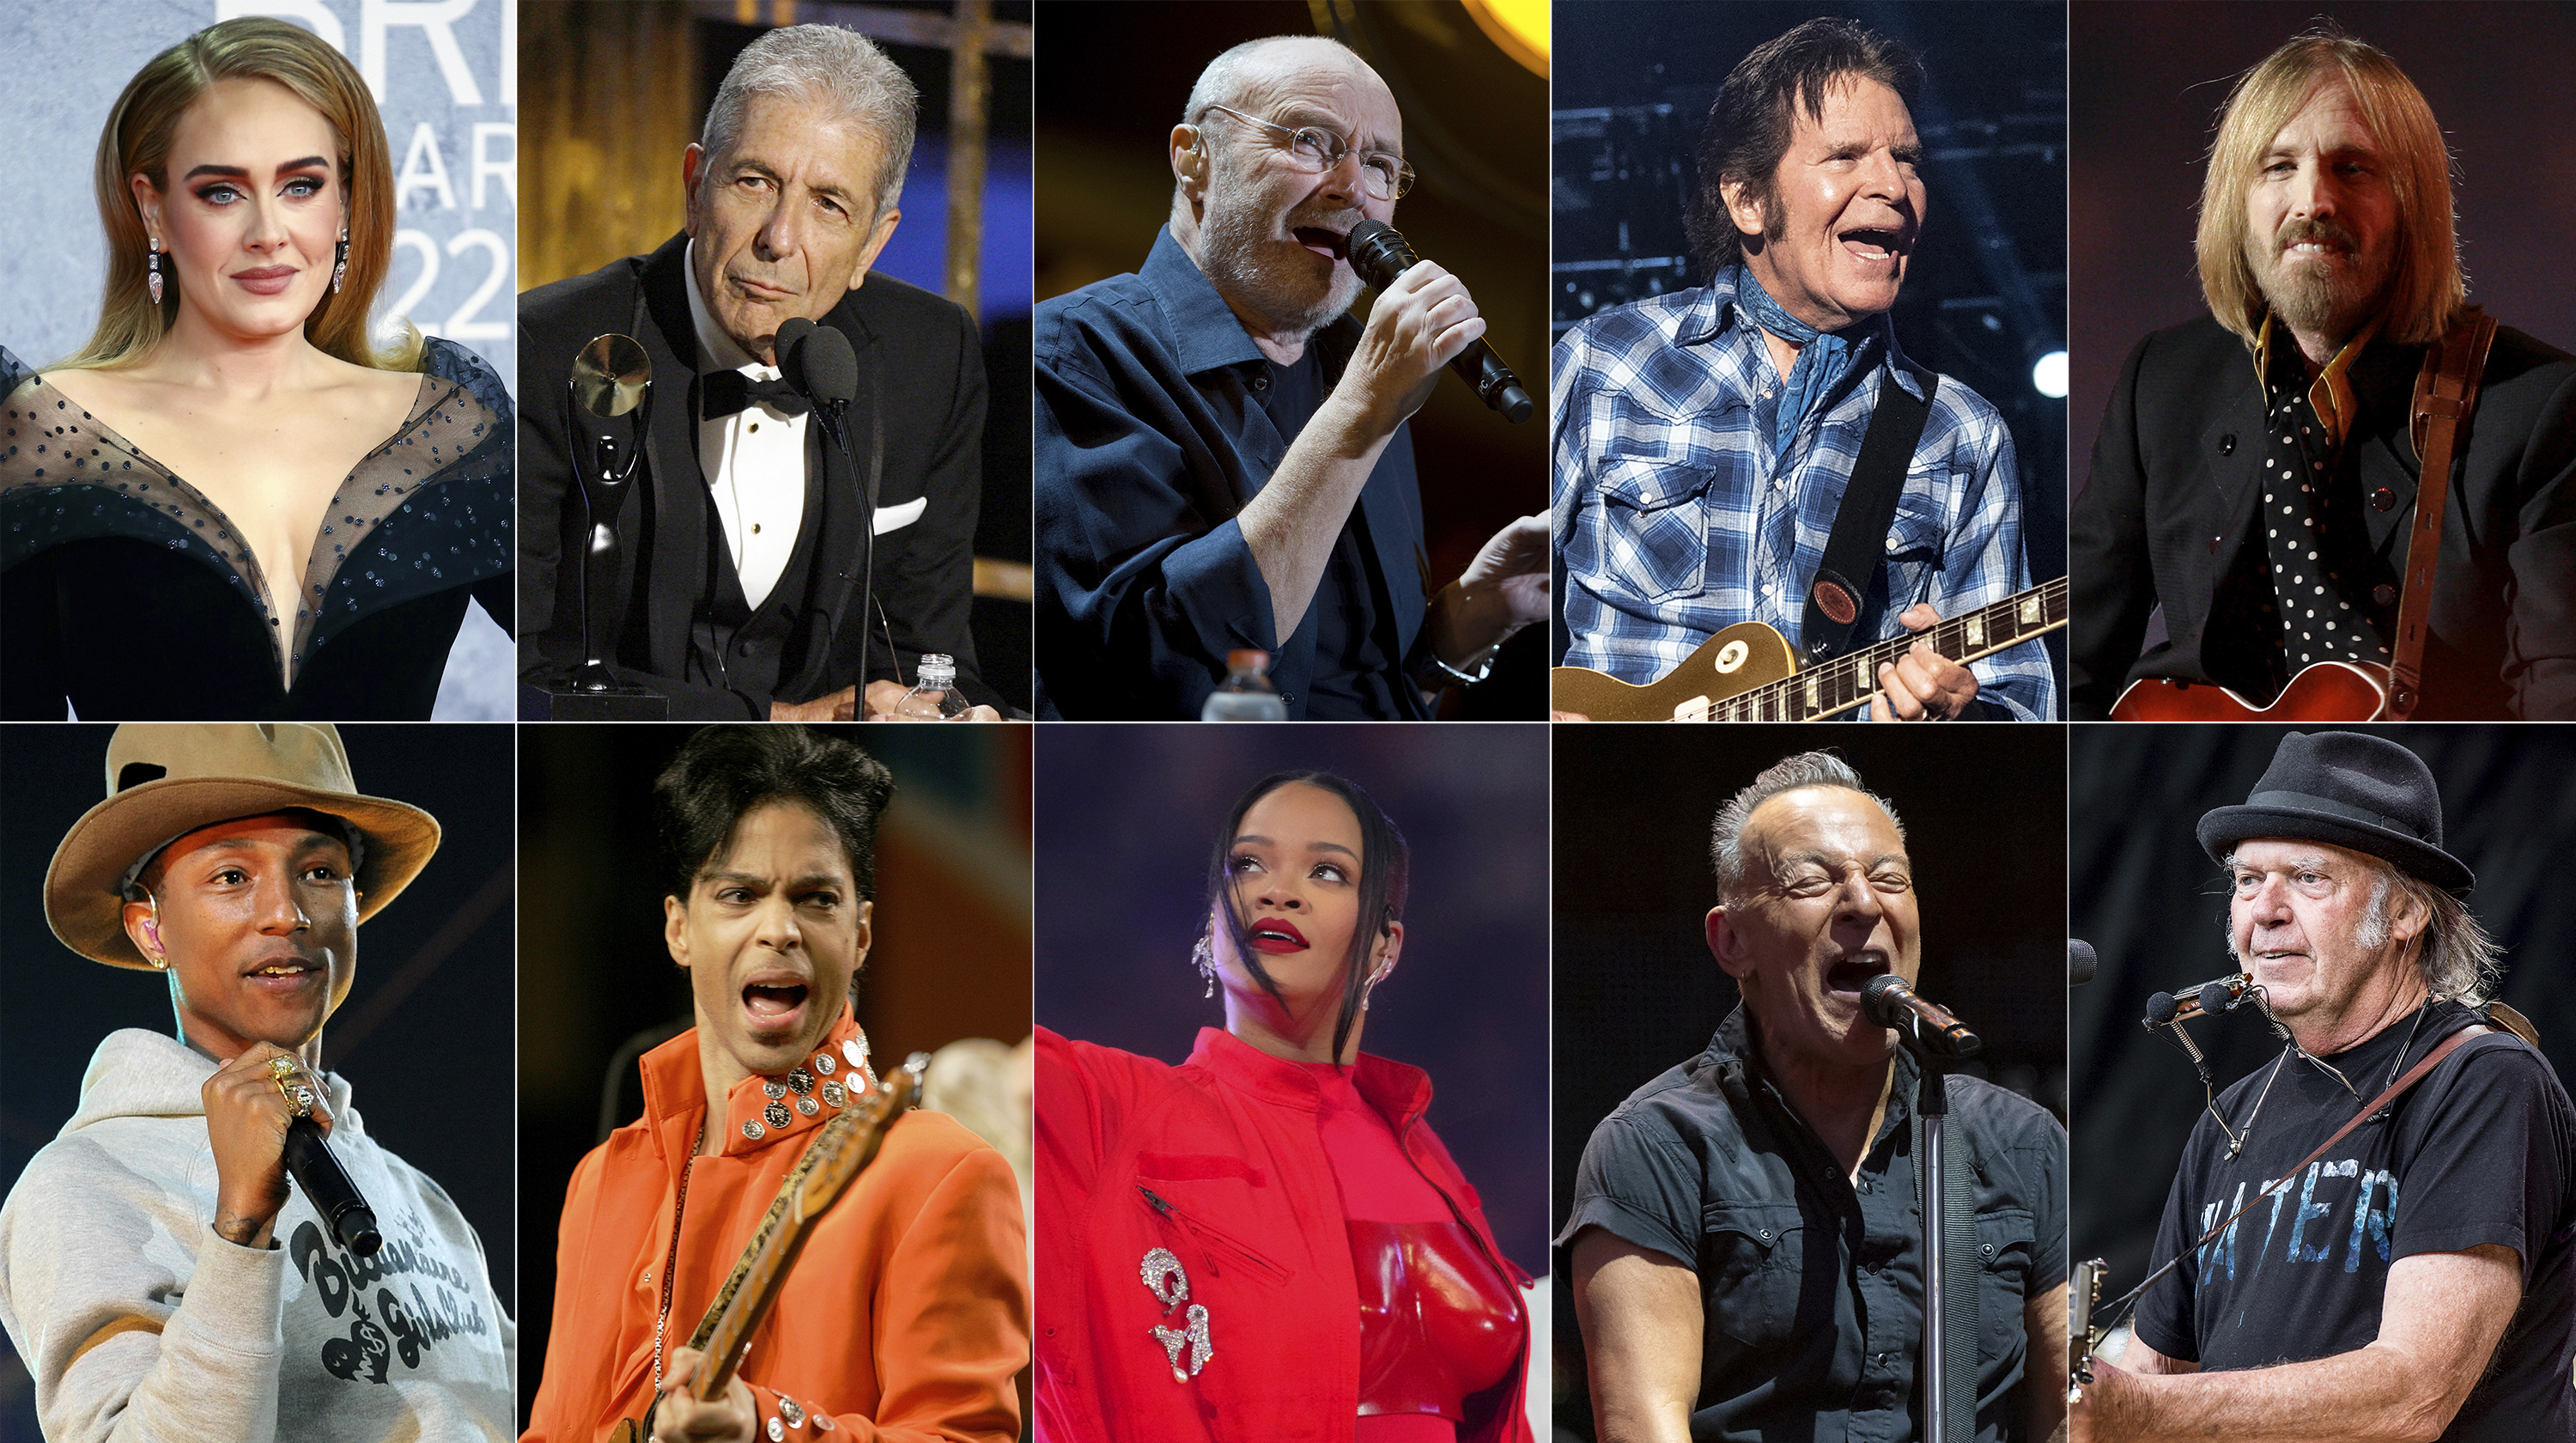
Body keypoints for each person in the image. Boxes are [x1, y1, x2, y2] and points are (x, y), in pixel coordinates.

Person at [0, 722, 513, 1437]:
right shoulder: (84, 1182)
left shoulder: (424, 1201)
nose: (288, 914)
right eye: (232, 877)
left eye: (320, 873)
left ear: (356, 906)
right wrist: (240, 1231)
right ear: (151, 930)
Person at [522, 725, 1027, 1443]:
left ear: (861, 935)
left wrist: (766, 1427)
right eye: (740, 894)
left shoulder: (941, 1172)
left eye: (817, 898)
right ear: (679, 929)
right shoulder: (603, 1179)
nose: (779, 929)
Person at [0, 17, 513, 721]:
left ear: (346, 205)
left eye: (301, 186)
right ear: (152, 210)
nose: (268, 232)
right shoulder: (54, 427)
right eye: (222, 192)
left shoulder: (447, 419)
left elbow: (591, 655)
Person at [2075, 731, 2575, 1443]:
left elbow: (2413, 1395)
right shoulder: (2234, 1112)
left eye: (2309, 877)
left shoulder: (2485, 1081)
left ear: (2405, 914)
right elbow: (2158, 1379)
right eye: (2248, 880)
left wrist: (2131, 1410)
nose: (2265, 910)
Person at [1552, 19, 2057, 722]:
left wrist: (1959, 718)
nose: (1893, 184)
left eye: (1909, 159)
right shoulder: (1605, 361)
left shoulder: (1962, 434)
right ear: (1748, 199)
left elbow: (2021, 705)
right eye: (1846, 156)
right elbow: (1494, 593)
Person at [1034, 35, 1549, 720]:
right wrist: (1359, 417)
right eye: (1311, 141)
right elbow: (1164, 671)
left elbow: (1359, 686)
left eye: (1381, 166)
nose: (1354, 189)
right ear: (1195, 160)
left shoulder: (1361, 366)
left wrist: (1478, 612)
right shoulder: (1076, 349)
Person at [2069, 30, 2576, 720]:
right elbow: (2076, 667)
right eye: (2278, 167)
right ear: (2235, 203)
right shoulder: (2161, 381)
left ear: (2413, 203)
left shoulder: (2542, 407)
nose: (2313, 202)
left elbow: (2557, 713)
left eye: (2354, 168)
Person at [1561, 752, 2067, 1440]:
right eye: (1811, 882)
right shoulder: (1657, 1146)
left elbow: (2066, 1420)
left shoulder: (2021, 1142)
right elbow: (1644, 1426)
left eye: (1890, 877)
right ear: (1732, 941)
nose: (1864, 902)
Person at [518, 25, 1002, 722]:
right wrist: (777, 721)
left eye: (829, 205)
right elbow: (524, 683)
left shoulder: (934, 355)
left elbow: (930, 657)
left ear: (875, 242)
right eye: (754, 182)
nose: (780, 239)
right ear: (694, 187)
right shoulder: (544, 348)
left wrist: (961, 719)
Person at [1036, 770, 1533, 1440]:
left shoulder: (1422, 1151)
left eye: (1327, 872)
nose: (1278, 890)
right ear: (1211, 921)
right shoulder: (1106, 1108)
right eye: (1247, 866)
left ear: (1385, 946)